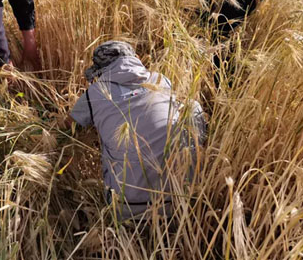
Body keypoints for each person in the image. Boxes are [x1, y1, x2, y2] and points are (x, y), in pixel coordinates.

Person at [67, 41, 207, 221]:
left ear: (100, 71)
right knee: (191, 107)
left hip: (125, 207)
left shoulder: (94, 93)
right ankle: (196, 181)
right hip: (180, 202)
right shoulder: (160, 80)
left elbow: (68, 127)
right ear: (137, 59)